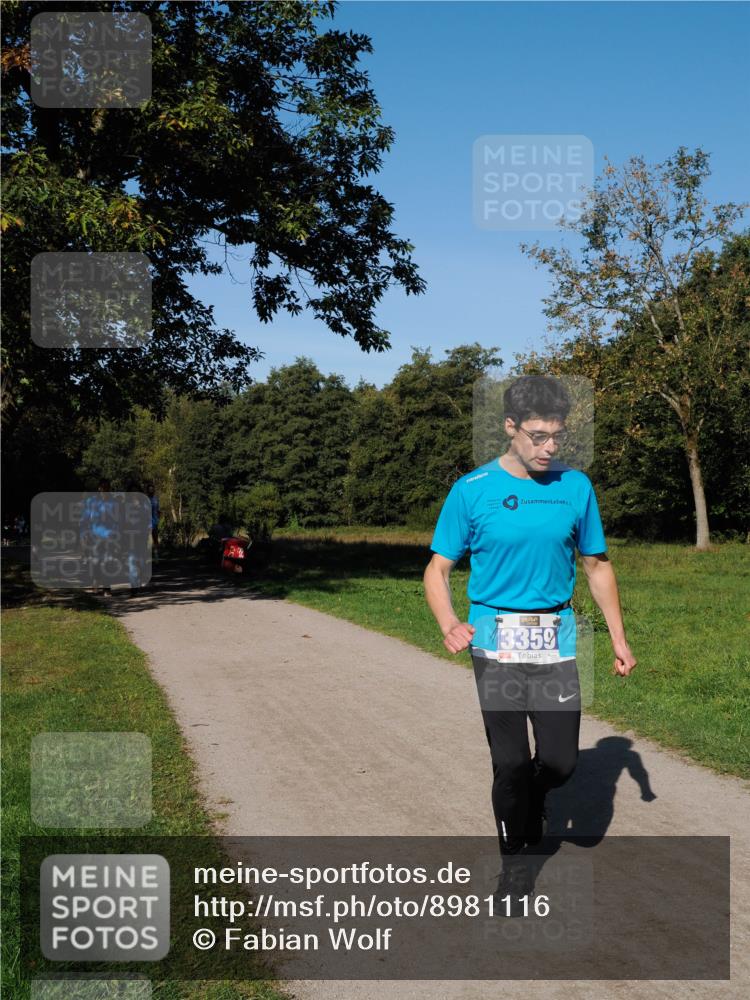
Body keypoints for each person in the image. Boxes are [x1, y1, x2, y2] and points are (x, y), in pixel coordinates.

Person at [423, 374, 636, 914]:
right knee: (512, 761)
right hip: (494, 640)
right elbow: (438, 568)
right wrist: (448, 620)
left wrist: (618, 637)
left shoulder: (576, 487)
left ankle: (536, 801)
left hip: (557, 638)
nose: (549, 446)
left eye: (557, 436)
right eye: (538, 435)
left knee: (561, 764)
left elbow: (596, 565)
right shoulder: (472, 490)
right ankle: (514, 861)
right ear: (510, 427)